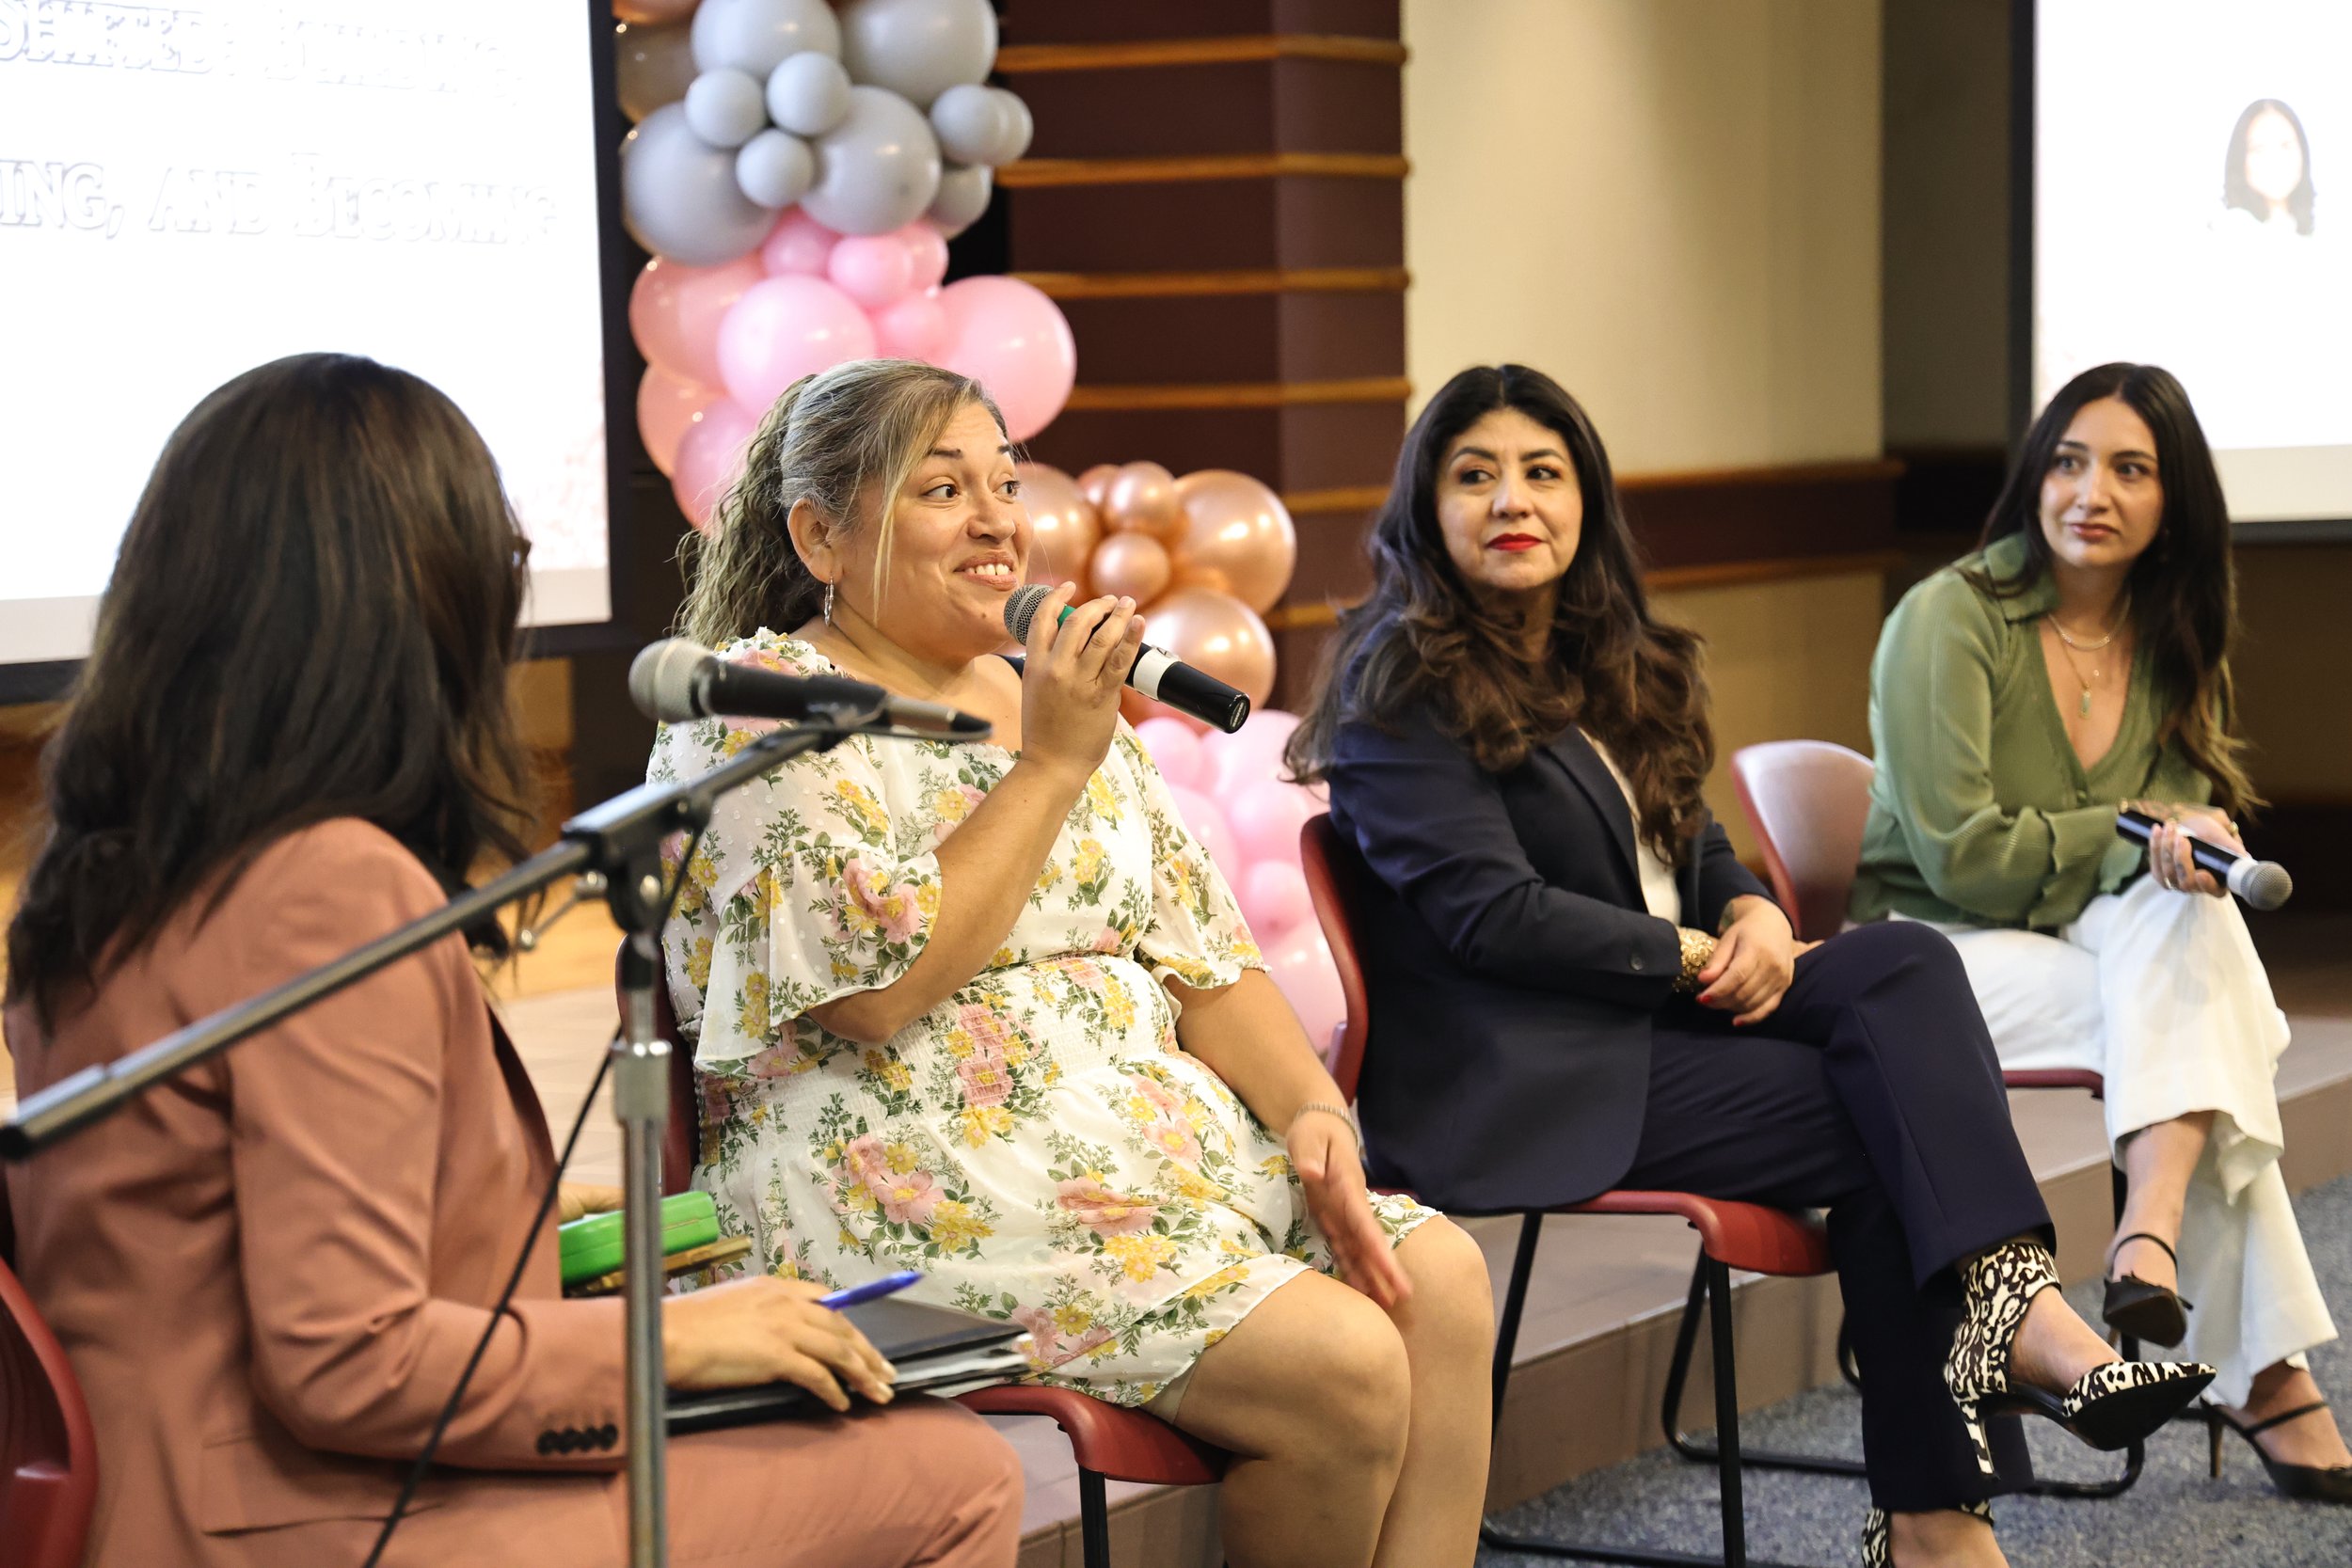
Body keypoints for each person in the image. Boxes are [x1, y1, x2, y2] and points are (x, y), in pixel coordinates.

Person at [0, 354, 1023, 1568]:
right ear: (418, 605)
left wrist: (546, 1229)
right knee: (954, 1470)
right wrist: (681, 1338)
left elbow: (238, 1219)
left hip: (173, 1487)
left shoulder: (100, 867)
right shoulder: (328, 882)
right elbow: (346, 1355)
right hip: (316, 1513)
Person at [1286, 363, 2215, 1568]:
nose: (1510, 499)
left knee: (1899, 963)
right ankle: (1956, 1481)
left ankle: (1981, 1396)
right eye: (1474, 475)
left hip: (1660, 1026)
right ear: (1426, 507)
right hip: (1529, 1062)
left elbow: (1703, 846)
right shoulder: (1395, 690)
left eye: (1541, 472)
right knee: (1899, 1126)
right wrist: (1691, 956)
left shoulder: (1612, 662)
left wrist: (1761, 921)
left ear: (1585, 502)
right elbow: (1491, 917)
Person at [654, 357, 1497, 1568]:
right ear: (821, 536)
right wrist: (1048, 764)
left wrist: (1314, 1109)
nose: (1000, 517)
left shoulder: (1048, 697)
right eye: (944, 489)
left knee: (1443, 1282)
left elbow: (1208, 965)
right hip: (905, 1184)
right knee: (1344, 1363)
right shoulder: (761, 710)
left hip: (1143, 1158)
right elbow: (876, 995)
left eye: (1006, 480)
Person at [1851, 360, 2352, 1504]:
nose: (2092, 490)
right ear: (2034, 473)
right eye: (2070, 460)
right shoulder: (1948, 616)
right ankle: (2248, 1352)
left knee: (2190, 929)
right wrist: (2133, 833)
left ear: (2172, 499)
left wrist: (2183, 841)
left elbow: (2157, 858)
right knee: (2205, 1019)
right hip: (1928, 960)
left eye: (2130, 469)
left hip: (2090, 946)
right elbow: (1962, 858)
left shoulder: (2173, 633)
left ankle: (2152, 1243)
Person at [2219, 97, 2316, 237]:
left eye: (2285, 146)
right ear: (2240, 160)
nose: (2275, 160)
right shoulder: (2229, 234)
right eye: (2259, 149)